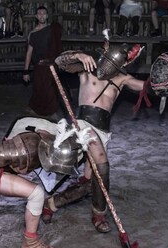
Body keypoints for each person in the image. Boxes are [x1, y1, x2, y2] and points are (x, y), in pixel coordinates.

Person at [42, 42, 146, 233]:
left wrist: (165, 83)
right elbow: (60, 61)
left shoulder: (122, 78)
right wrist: (78, 55)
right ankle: (99, 214)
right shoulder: (88, 68)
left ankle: (51, 204)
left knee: (91, 183)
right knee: (102, 162)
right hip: (83, 126)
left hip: (103, 132)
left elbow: (146, 87)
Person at [23, 6, 63, 120]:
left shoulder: (52, 29)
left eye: (44, 13)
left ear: (47, 16)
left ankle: (52, 112)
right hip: (39, 66)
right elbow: (29, 54)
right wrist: (25, 72)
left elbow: (57, 46)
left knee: (51, 90)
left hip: (51, 65)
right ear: (36, 16)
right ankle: (36, 109)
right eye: (39, 14)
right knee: (39, 90)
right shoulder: (33, 33)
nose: (41, 15)